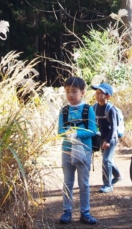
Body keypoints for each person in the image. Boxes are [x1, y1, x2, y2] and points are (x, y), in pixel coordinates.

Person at [58, 76, 98, 225]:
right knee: (67, 182)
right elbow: (60, 130)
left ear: (82, 92)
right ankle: (66, 212)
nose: (70, 95)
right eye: (67, 91)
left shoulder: (88, 110)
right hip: (67, 150)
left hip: (84, 150)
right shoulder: (64, 111)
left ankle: (85, 212)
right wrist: (67, 134)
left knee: (84, 183)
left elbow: (93, 130)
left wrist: (76, 133)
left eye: (74, 91)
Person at [91, 82, 122, 193]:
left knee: (106, 160)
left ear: (108, 96)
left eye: (100, 93)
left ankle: (108, 184)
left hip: (111, 138)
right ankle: (117, 176)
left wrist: (108, 141)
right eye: (97, 92)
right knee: (108, 159)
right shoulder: (94, 107)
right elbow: (93, 123)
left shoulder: (111, 109)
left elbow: (114, 127)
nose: (97, 95)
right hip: (101, 137)